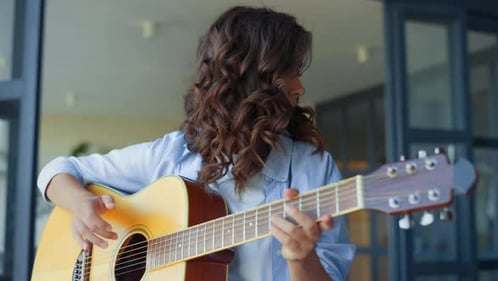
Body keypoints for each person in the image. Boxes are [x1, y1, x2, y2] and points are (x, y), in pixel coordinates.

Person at [37, 6, 355, 281]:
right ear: (252, 79)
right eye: (289, 73)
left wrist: (302, 258)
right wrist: (80, 202)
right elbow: (57, 171)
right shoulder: (173, 154)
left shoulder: (311, 167)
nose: (300, 88)